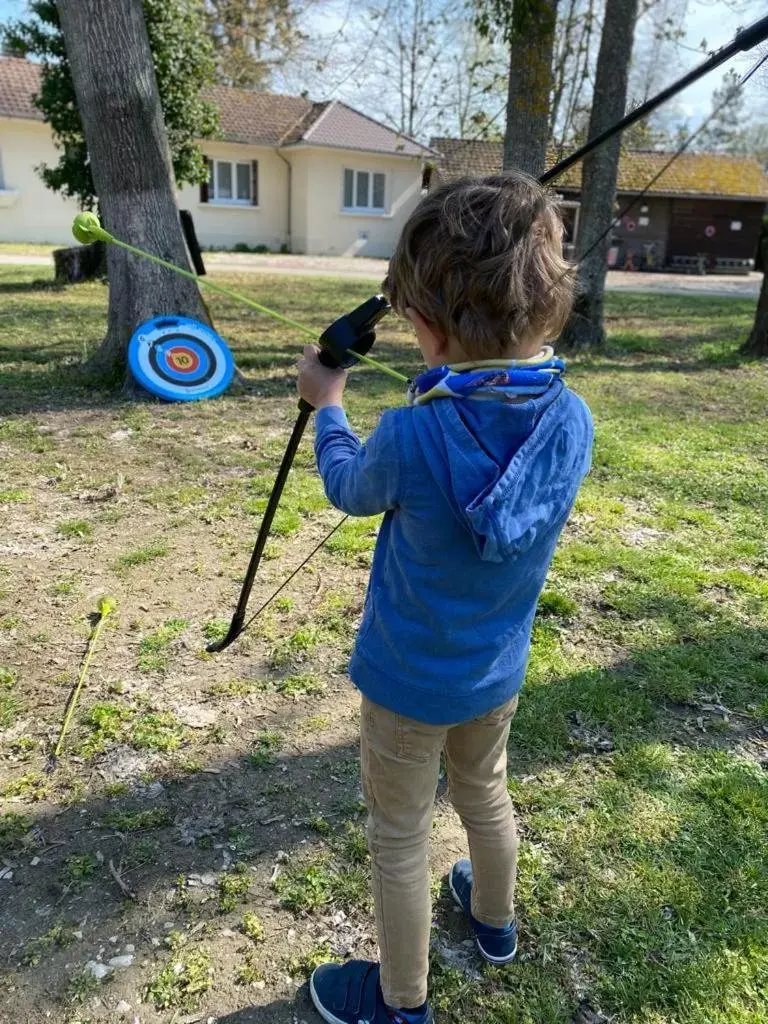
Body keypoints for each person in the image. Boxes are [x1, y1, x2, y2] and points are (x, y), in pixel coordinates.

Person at [296, 172, 594, 1024]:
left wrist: (329, 404)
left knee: (401, 834)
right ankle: (494, 924)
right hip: (493, 674)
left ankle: (400, 1004)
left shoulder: (413, 430)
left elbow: (350, 488)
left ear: (422, 328)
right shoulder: (572, 419)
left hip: (406, 683)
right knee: (485, 793)